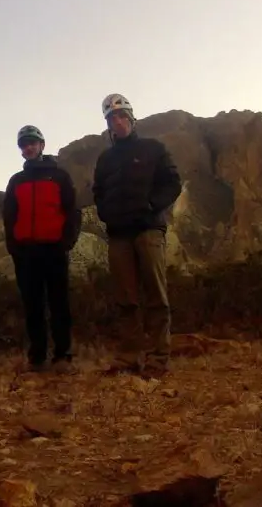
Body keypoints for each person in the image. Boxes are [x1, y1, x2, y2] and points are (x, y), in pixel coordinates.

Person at [93, 94, 182, 376]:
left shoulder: (152, 149)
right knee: (126, 299)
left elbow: (172, 183)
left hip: (148, 230)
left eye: (122, 116)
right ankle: (129, 358)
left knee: (156, 295)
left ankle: (158, 359)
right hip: (119, 235)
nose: (118, 122)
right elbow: (98, 192)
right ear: (108, 124)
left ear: (132, 119)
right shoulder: (105, 159)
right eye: (112, 118)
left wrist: (152, 206)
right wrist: (106, 213)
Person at [2, 125, 81, 373]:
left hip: (54, 249)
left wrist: (67, 241)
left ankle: (63, 354)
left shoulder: (59, 176)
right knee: (32, 306)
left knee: (59, 304)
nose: (28, 147)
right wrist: (13, 246)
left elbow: (73, 210)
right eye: (24, 144)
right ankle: (37, 356)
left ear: (42, 145)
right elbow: (9, 216)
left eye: (32, 143)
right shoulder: (16, 181)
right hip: (26, 252)